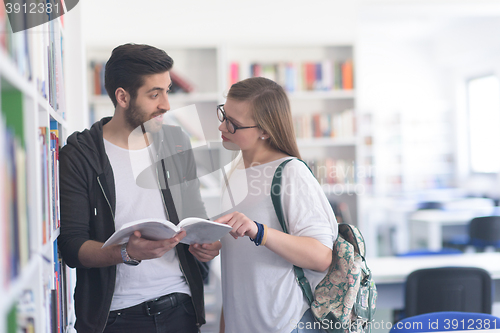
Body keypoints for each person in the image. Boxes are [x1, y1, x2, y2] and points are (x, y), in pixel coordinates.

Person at [58, 43, 221, 333]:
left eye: (167, 90)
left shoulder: (176, 141)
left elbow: (195, 213)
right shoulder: (80, 153)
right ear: (122, 97)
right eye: (154, 94)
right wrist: (126, 253)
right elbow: (72, 246)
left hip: (181, 308)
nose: (166, 105)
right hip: (115, 316)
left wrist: (205, 243)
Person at [215, 77, 338, 333]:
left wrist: (259, 231)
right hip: (242, 324)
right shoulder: (233, 172)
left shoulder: (291, 172)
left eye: (233, 124)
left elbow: (321, 256)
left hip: (283, 324)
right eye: (224, 114)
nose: (221, 126)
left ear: (265, 130)